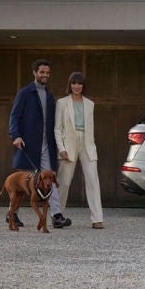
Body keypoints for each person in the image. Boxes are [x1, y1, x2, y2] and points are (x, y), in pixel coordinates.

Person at [7, 59, 70, 229]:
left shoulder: (50, 97)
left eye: (47, 73)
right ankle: (12, 215)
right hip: (28, 145)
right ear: (35, 73)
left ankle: (56, 215)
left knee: (51, 179)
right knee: (23, 181)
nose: (45, 75)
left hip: (46, 147)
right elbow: (14, 116)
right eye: (42, 72)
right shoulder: (25, 93)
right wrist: (15, 135)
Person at [54, 72, 105, 229]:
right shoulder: (62, 103)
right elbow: (57, 128)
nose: (77, 86)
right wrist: (61, 148)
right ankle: (57, 215)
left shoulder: (90, 104)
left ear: (83, 86)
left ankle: (97, 219)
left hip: (87, 144)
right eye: (74, 83)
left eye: (79, 83)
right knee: (64, 182)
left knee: (93, 181)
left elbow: (91, 129)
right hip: (68, 143)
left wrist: (92, 145)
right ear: (69, 85)